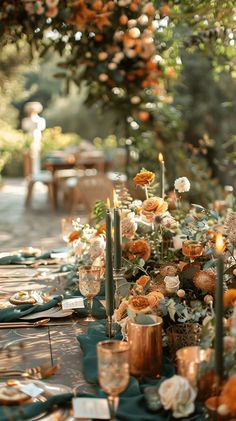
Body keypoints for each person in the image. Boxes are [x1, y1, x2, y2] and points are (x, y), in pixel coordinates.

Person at [21, 102, 46, 175]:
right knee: (27, 159)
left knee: (35, 158)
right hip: (28, 140)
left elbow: (41, 128)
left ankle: (35, 175)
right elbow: (25, 128)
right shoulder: (26, 120)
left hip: (36, 140)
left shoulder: (40, 120)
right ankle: (28, 176)